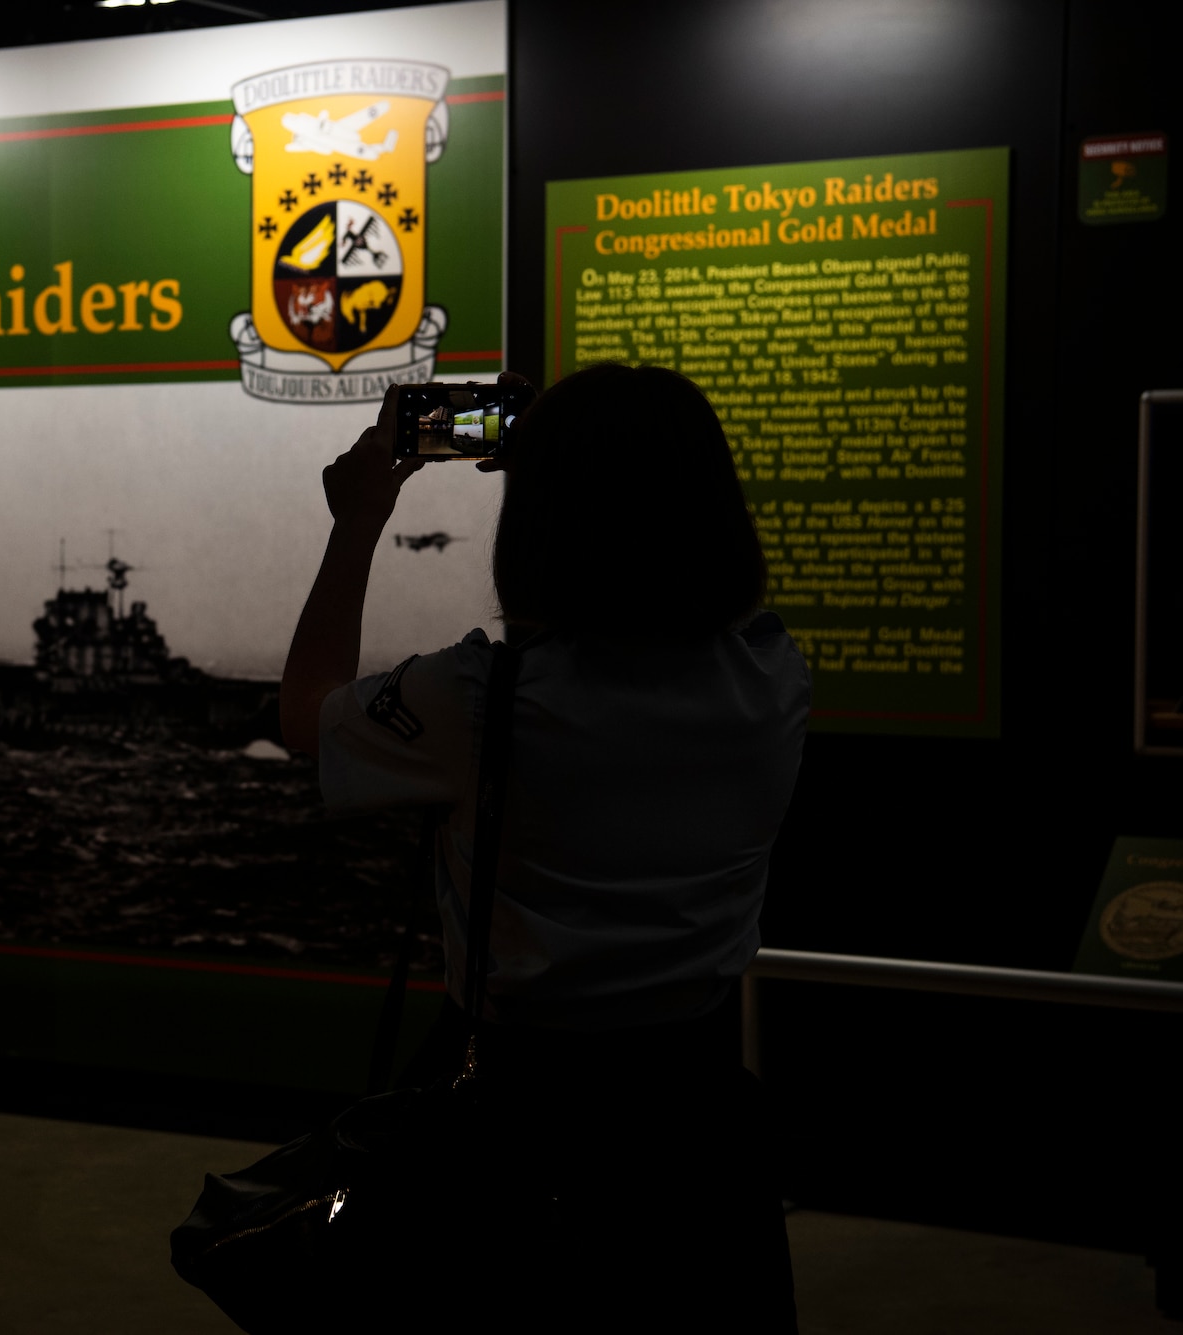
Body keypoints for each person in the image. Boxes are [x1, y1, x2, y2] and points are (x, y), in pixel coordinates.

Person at [279, 363, 809, 1329]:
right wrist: (589, 468)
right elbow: (620, 639)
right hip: (696, 1117)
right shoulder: (773, 676)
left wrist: (359, 514)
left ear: (540, 521)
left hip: (518, 1120)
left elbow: (309, 719)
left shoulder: (479, 699)